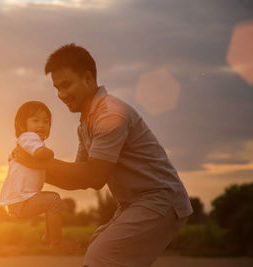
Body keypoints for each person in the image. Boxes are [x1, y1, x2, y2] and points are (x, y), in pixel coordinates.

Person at [13, 44, 193, 266]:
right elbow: (79, 178)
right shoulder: (86, 123)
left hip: (160, 199)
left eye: (66, 85)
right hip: (135, 202)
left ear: (88, 78)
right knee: (99, 245)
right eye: (57, 88)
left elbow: (95, 176)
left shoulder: (110, 116)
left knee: (101, 257)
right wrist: (30, 169)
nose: (61, 95)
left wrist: (37, 161)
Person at [0, 101, 78, 252]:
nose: (41, 125)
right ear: (23, 126)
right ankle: (57, 242)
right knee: (54, 200)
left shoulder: (26, 143)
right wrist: (50, 153)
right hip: (22, 200)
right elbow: (42, 154)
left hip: (20, 200)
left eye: (46, 121)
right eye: (35, 120)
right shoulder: (29, 137)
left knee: (51, 202)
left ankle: (49, 235)